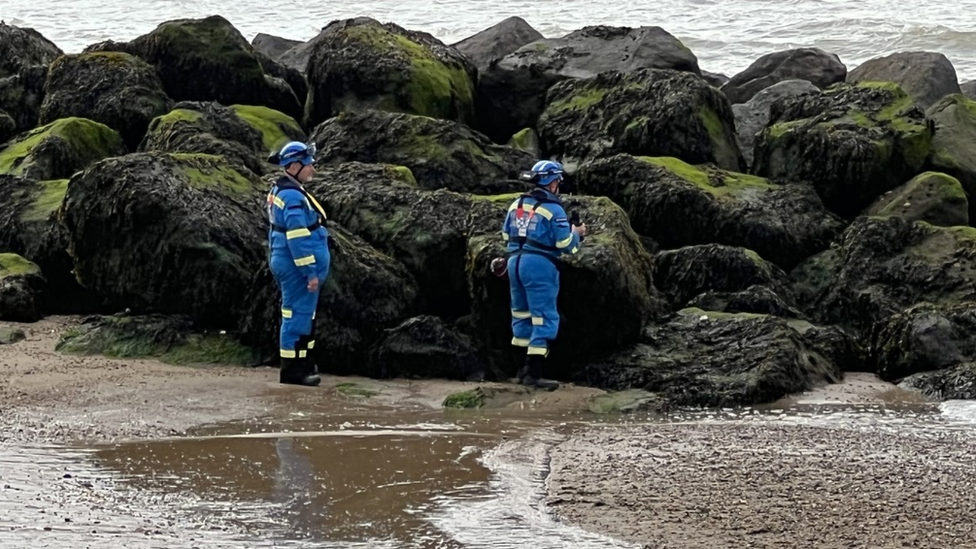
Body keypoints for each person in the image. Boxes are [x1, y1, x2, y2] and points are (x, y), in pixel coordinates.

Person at [501, 159, 586, 391]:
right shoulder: (554, 209)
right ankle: (534, 375)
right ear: (552, 182)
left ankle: (520, 371)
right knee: (544, 319)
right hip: (539, 265)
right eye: (558, 180)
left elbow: (506, 237)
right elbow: (566, 244)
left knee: (520, 315)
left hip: (514, 262)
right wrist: (577, 233)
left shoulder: (516, 204)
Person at [266, 141, 331, 386]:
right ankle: (293, 371)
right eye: (308, 164)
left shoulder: (283, 190)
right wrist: (310, 272)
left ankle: (304, 362)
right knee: (296, 315)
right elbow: (296, 238)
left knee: (304, 315)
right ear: (294, 166)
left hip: (292, 264)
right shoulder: (291, 196)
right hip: (297, 268)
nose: (313, 168)